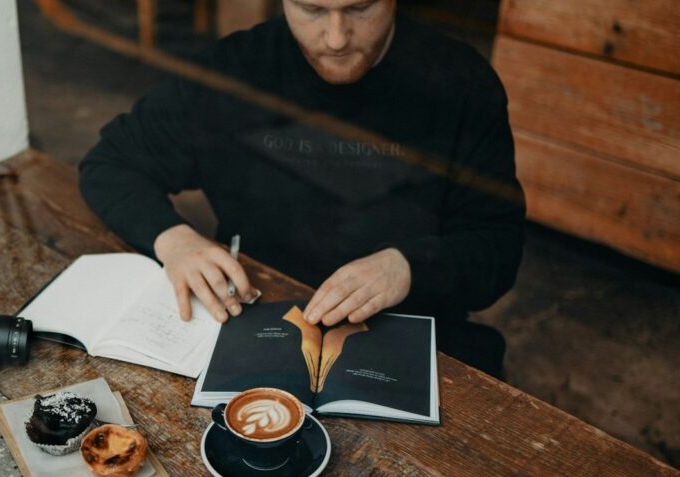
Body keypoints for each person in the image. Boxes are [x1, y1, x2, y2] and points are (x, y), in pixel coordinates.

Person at [78, 0, 525, 378]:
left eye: (360, 7)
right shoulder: (230, 73)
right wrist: (174, 240)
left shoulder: (462, 84)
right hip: (259, 310)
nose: (336, 37)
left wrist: (407, 267)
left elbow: (496, 247)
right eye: (311, 9)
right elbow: (110, 164)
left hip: (413, 325)